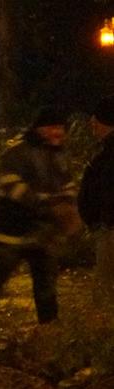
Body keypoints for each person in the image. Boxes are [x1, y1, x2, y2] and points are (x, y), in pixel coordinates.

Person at [0, 106, 78, 337]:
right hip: (13, 228)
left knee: (45, 283)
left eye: (61, 127)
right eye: (53, 127)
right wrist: (46, 203)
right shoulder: (17, 151)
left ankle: (49, 330)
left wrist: (67, 201)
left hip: (43, 231)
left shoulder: (58, 153)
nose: (58, 132)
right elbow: (11, 184)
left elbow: (67, 182)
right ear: (40, 129)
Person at [78, 95, 114, 307]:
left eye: (96, 119)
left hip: (109, 229)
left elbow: (106, 190)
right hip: (105, 227)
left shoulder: (109, 153)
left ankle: (103, 333)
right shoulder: (105, 150)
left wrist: (104, 220)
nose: (92, 123)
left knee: (105, 289)